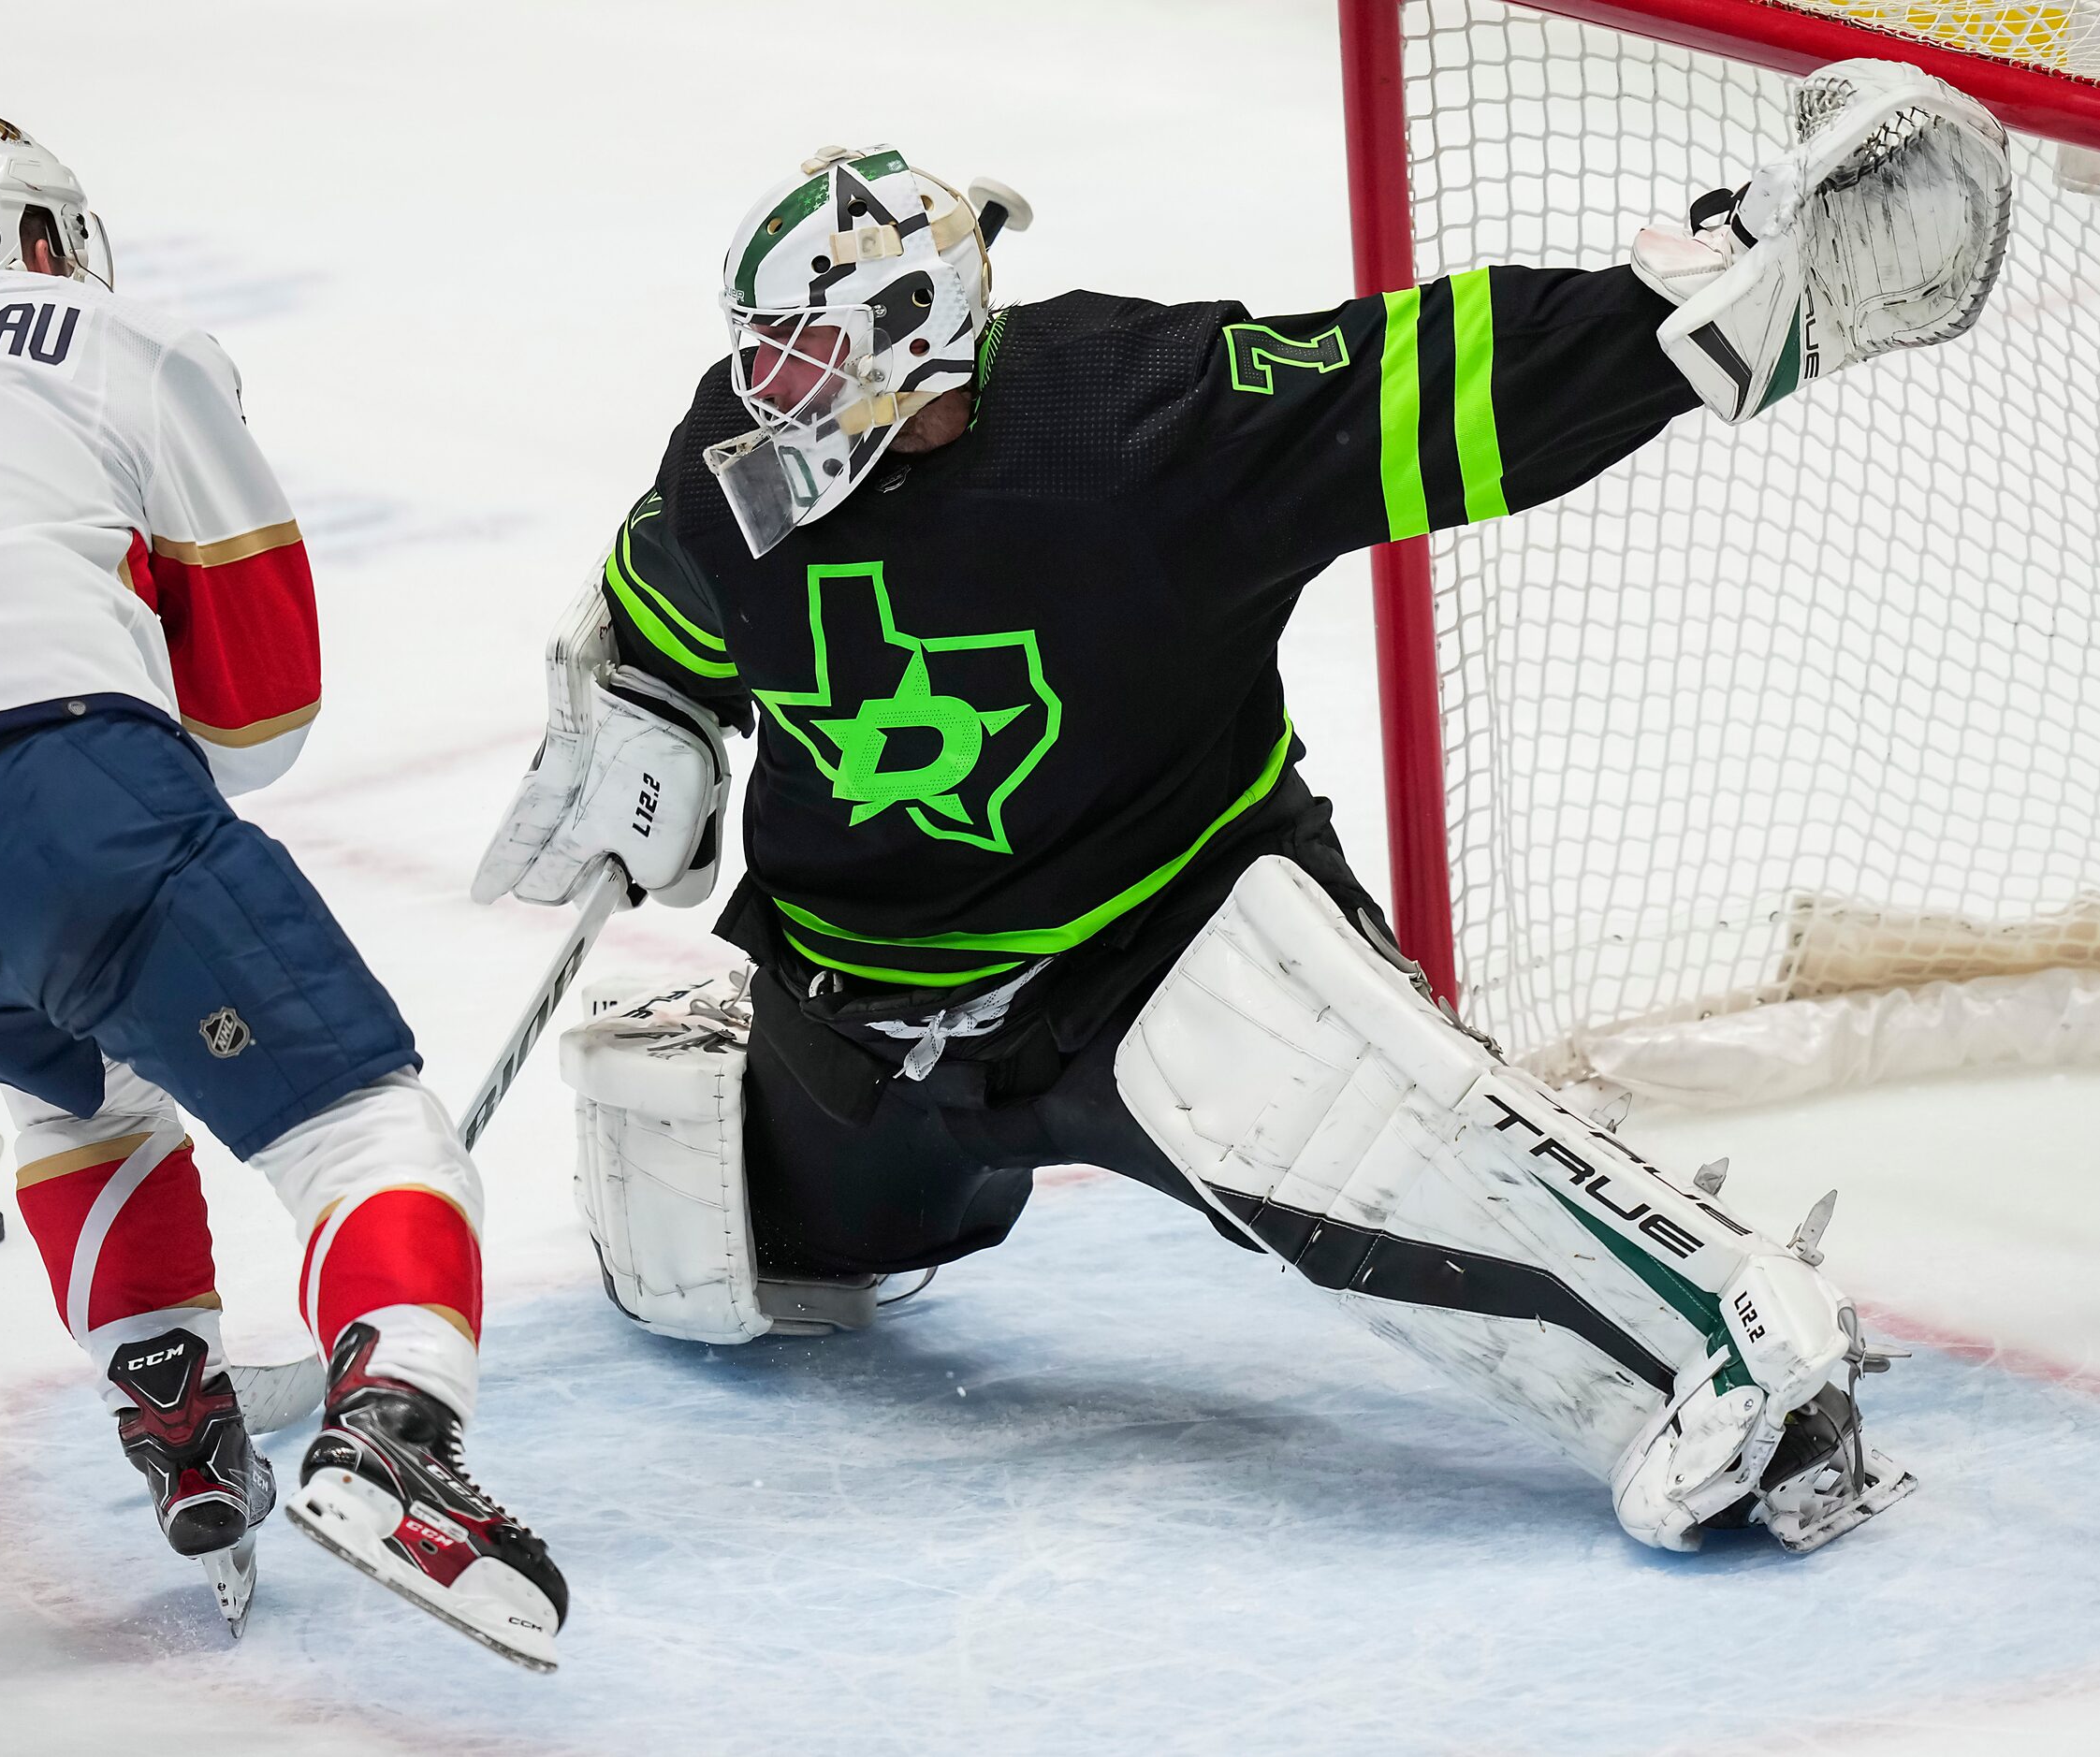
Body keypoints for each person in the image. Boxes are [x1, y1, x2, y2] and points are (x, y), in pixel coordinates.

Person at [476, 62, 2012, 1557]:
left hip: (1163, 949)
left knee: (1411, 1176)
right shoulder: (741, 446)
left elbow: (1425, 376)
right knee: (722, 1268)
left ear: (917, 345)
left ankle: (1732, 1332)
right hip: (864, 1001)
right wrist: (640, 699)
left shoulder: (1135, 428)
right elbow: (677, 584)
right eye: (762, 350)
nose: (769, 388)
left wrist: (1692, 303)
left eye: (807, 356)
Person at [0, 109, 563, 1665]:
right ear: (29, 236)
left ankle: (174, 1411)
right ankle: (399, 1439)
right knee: (361, 1119)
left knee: (81, 1087)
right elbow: (261, 707)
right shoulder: (114, 335)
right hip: (44, 792)